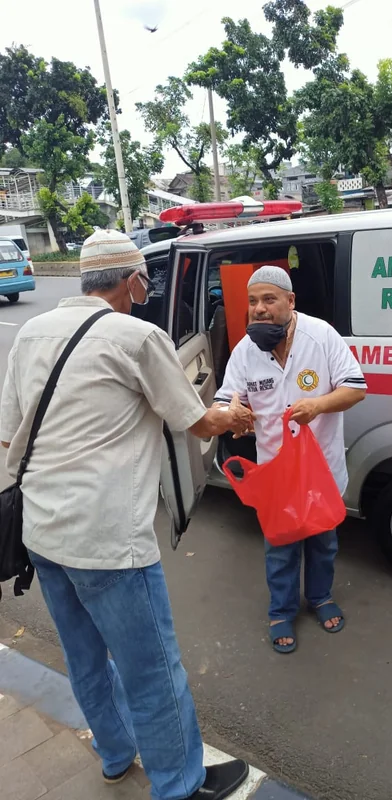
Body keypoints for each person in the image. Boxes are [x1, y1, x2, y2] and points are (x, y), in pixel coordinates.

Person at [0, 230, 255, 800]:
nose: (146, 288)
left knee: (85, 659)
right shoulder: (137, 335)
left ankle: (116, 756)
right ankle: (180, 785)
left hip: (41, 531)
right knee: (153, 671)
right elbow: (199, 422)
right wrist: (234, 411)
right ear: (132, 281)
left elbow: (7, 435)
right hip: (107, 540)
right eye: (144, 279)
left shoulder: (33, 333)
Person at [214, 265, 367, 653]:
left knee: (323, 541)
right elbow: (225, 400)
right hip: (276, 473)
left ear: (290, 301)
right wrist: (234, 412)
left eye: (269, 299)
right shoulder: (246, 351)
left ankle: (319, 597)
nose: (259, 309)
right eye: (252, 302)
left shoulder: (321, 336)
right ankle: (281, 610)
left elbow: (355, 387)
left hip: (322, 469)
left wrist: (318, 405)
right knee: (279, 545)